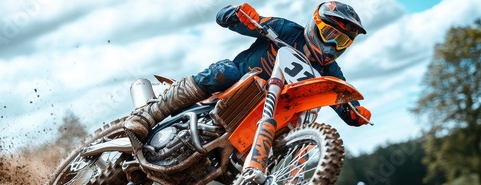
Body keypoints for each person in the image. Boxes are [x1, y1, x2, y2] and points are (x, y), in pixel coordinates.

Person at [123, 2, 372, 142]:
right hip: (235, 86)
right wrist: (237, 14)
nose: (332, 46)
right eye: (330, 35)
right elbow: (225, 18)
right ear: (314, 25)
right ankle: (149, 115)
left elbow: (342, 101)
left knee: (291, 135)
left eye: (342, 42)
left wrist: (356, 112)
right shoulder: (285, 30)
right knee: (225, 71)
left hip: (270, 115)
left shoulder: (331, 72)